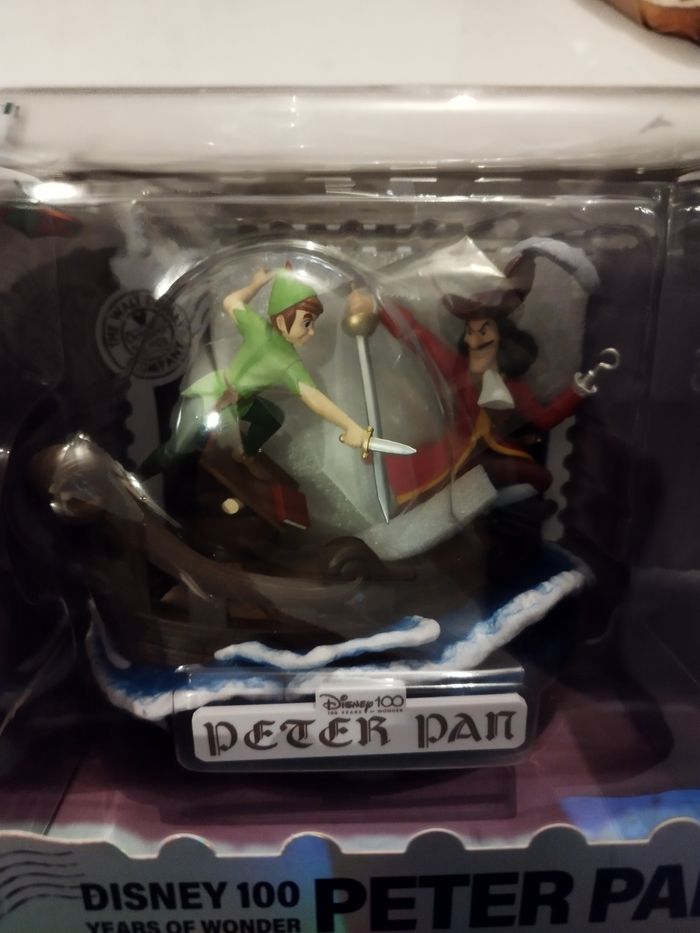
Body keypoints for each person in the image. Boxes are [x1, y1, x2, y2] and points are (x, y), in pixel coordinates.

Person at [345, 288, 593, 506]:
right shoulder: (458, 371)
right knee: (416, 473)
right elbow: (419, 337)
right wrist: (379, 306)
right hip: (457, 452)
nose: (473, 340)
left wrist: (577, 391)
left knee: (536, 478)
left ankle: (487, 508)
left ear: (501, 338)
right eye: (469, 332)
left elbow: (542, 418)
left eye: (483, 332)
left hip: (498, 453)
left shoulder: (513, 386)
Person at [142, 268, 368, 478]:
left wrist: (255, 286)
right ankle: (140, 476)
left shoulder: (265, 335)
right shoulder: (281, 356)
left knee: (271, 418)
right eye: (306, 323)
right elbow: (313, 396)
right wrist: (349, 425)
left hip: (241, 402)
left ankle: (244, 454)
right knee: (177, 448)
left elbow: (231, 301)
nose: (311, 332)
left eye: (313, 324)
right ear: (282, 320)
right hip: (212, 396)